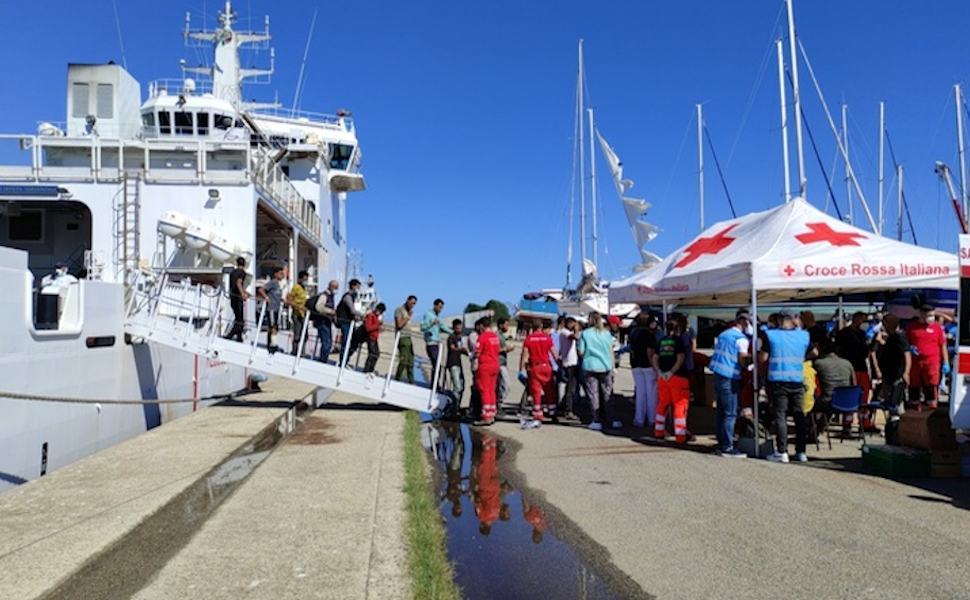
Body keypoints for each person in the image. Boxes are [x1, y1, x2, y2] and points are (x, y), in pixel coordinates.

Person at [761, 313, 811, 463]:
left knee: (780, 416)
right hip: (797, 379)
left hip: (778, 380)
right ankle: (801, 451)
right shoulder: (804, 336)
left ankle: (782, 451)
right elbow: (814, 352)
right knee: (799, 416)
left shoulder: (770, 335)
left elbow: (762, 358)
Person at [709, 311, 751, 457]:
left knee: (721, 411)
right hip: (730, 376)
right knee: (731, 413)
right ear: (744, 322)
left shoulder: (724, 334)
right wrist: (750, 364)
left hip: (718, 374)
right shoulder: (741, 339)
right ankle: (727, 446)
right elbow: (743, 359)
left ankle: (721, 443)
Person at [873, 314, 911, 442]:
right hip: (888, 377)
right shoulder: (890, 338)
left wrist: (906, 372)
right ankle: (892, 433)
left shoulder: (900, 337)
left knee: (897, 407)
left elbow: (907, 355)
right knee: (890, 406)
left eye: (885, 323)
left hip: (897, 377)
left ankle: (900, 434)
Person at [836, 311, 876, 430]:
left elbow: (866, 352)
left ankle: (864, 422)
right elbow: (838, 350)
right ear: (855, 319)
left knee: (863, 397)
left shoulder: (862, 334)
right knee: (849, 396)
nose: (862, 323)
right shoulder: (843, 333)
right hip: (849, 368)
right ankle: (847, 423)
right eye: (861, 319)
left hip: (861, 367)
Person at [579, 312, 619, 431]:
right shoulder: (607, 334)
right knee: (607, 393)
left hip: (590, 365)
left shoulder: (585, 334)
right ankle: (610, 418)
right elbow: (612, 349)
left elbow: (581, 351)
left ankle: (596, 419)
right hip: (606, 366)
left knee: (593, 394)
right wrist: (613, 366)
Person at [652, 319, 690, 443]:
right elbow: (680, 358)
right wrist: (671, 372)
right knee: (680, 405)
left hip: (663, 378)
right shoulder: (678, 341)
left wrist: (660, 372)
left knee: (662, 404)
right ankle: (680, 436)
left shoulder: (661, 341)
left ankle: (659, 431)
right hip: (677, 377)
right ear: (678, 328)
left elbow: (655, 357)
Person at [906, 304, 949, 410]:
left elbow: (943, 345)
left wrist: (946, 362)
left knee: (931, 384)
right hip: (915, 363)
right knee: (914, 385)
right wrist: (910, 348)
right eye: (929, 315)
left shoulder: (937, 328)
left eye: (933, 315)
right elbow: (906, 343)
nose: (931, 318)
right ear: (921, 314)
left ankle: (931, 406)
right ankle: (914, 406)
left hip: (932, 362)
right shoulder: (912, 327)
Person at [519, 319, 560, 429]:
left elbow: (525, 355)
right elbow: (554, 353)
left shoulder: (529, 339)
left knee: (536, 391)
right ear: (541, 327)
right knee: (549, 390)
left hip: (535, 367)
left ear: (532, 327)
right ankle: (552, 413)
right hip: (546, 366)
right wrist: (558, 363)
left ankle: (537, 415)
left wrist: (521, 369)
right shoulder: (547, 338)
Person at [628, 313, 659, 430]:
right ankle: (652, 419)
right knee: (651, 394)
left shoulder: (633, 333)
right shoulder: (649, 335)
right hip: (648, 365)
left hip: (636, 365)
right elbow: (650, 352)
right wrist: (656, 367)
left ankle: (639, 419)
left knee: (640, 393)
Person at [474, 317, 501, 425]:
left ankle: (486, 416)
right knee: (491, 390)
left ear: (482, 326)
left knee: (484, 390)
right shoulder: (495, 337)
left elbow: (477, 352)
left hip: (485, 365)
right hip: (495, 365)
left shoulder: (482, 337)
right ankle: (492, 413)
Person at [557, 316, 581, 420]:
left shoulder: (566, 332)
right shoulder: (564, 332)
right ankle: (568, 410)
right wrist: (576, 330)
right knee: (570, 388)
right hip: (568, 363)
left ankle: (564, 406)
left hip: (573, 362)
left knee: (572, 387)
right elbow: (575, 337)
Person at [420, 299, 452, 376]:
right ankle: (434, 384)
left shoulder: (438, 317)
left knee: (437, 365)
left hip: (437, 344)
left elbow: (443, 327)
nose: (440, 310)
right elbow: (422, 327)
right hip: (431, 343)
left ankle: (435, 384)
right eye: (439, 307)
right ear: (435, 305)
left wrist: (454, 332)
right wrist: (432, 323)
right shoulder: (428, 314)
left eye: (442, 308)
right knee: (436, 364)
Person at [310, 279, 339, 363]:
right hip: (322, 321)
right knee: (327, 343)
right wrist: (330, 311)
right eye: (336, 287)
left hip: (327, 321)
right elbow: (318, 307)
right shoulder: (324, 295)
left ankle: (323, 359)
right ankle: (322, 360)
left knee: (328, 342)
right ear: (331, 287)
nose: (336, 290)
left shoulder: (330, 296)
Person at [335, 278, 363, 363]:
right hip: (345, 323)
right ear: (353, 286)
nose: (358, 289)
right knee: (346, 342)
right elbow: (352, 310)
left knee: (353, 342)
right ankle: (342, 362)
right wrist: (363, 314)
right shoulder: (348, 297)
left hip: (349, 323)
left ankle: (345, 361)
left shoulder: (351, 297)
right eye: (358, 287)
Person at [258, 266, 284, 353]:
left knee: (274, 327)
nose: (282, 275)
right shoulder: (272, 282)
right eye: (280, 273)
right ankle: (273, 345)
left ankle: (270, 344)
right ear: (275, 274)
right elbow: (261, 290)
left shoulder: (278, 285)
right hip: (272, 308)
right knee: (273, 326)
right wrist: (266, 298)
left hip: (277, 308)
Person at [224, 256, 249, 341]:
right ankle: (231, 335)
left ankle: (239, 337)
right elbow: (239, 283)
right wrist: (243, 294)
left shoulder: (233, 272)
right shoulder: (242, 272)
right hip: (238, 298)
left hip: (232, 296)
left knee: (238, 317)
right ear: (244, 264)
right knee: (240, 319)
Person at [393, 296, 418, 382]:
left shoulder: (409, 312)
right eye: (412, 302)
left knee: (411, 361)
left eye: (414, 304)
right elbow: (399, 325)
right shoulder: (399, 310)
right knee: (404, 360)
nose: (413, 305)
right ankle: (397, 378)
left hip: (408, 337)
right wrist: (407, 317)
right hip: (402, 337)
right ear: (407, 301)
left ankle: (411, 381)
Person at [286, 270, 309, 356]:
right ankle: (295, 351)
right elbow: (289, 300)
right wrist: (297, 306)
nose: (305, 281)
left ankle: (302, 352)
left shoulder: (304, 288)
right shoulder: (296, 287)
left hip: (303, 315)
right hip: (297, 314)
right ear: (300, 278)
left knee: (305, 335)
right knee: (297, 334)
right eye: (304, 279)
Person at [446, 319, 467, 401]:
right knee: (457, 386)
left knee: (462, 385)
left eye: (460, 328)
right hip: (452, 363)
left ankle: (457, 405)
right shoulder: (451, 337)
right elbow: (452, 348)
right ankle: (453, 406)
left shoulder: (460, 338)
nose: (459, 330)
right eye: (457, 328)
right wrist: (461, 349)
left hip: (459, 363)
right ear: (454, 328)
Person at [361, 303, 385, 373]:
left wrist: (379, 328)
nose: (380, 313)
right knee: (372, 354)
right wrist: (378, 325)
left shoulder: (375, 317)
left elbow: (374, 327)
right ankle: (367, 370)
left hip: (374, 338)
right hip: (370, 338)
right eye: (380, 311)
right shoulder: (371, 316)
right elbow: (368, 328)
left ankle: (370, 369)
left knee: (376, 354)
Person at [497, 317, 516, 403]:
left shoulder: (502, 336)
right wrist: (506, 349)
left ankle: (498, 403)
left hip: (503, 364)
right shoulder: (497, 336)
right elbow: (495, 349)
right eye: (506, 325)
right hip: (499, 364)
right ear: (501, 325)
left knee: (501, 385)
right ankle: (499, 402)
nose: (507, 327)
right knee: (506, 385)